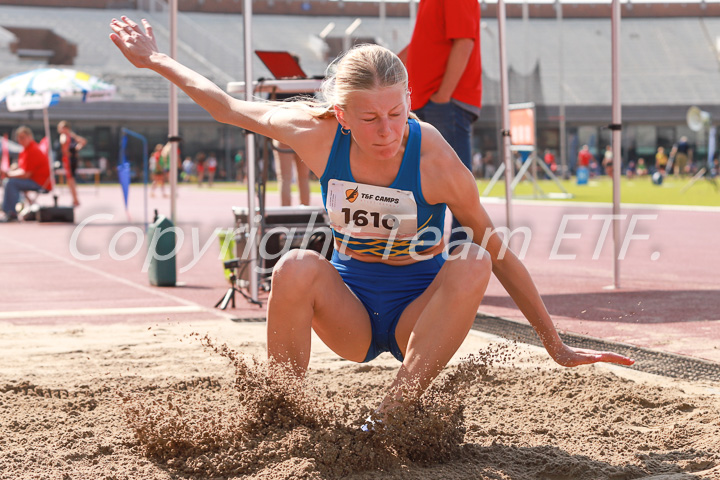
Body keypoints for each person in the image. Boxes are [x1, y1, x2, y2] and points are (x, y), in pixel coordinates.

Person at [109, 17, 634, 418]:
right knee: (293, 264)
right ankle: (281, 408)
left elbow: (499, 253)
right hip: (351, 310)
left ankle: (394, 412)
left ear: (409, 101)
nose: (387, 131)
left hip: (418, 318)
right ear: (341, 115)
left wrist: (554, 343)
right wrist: (153, 59)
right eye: (369, 119)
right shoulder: (314, 134)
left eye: (396, 114)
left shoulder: (434, 158)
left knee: (473, 258)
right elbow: (224, 105)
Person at [400, 0, 482, 244]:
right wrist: (379, 64)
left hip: (444, 103)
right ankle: (429, 254)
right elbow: (420, 46)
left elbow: (465, 42)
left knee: (457, 189)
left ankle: (462, 261)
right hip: (430, 101)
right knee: (423, 183)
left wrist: (443, 96)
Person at [0, 126, 51, 222]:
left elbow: (26, 174)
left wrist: (8, 174)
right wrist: (12, 170)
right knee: (9, 181)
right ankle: (9, 208)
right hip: (32, 179)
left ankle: (11, 213)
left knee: (11, 183)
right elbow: (23, 169)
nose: (20, 140)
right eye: (19, 137)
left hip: (40, 183)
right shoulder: (25, 150)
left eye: (23, 137)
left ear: (30, 137)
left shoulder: (33, 150)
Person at [57, 120, 87, 207]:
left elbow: (64, 144)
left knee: (71, 180)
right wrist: (76, 148)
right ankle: (75, 199)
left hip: (68, 160)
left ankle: (75, 199)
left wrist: (70, 151)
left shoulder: (65, 136)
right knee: (71, 180)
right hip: (72, 159)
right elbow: (83, 141)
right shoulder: (71, 136)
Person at [273, 139, 311, 206]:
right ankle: (305, 210)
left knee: (284, 178)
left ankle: (285, 210)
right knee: (304, 177)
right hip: (302, 138)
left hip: (283, 137)